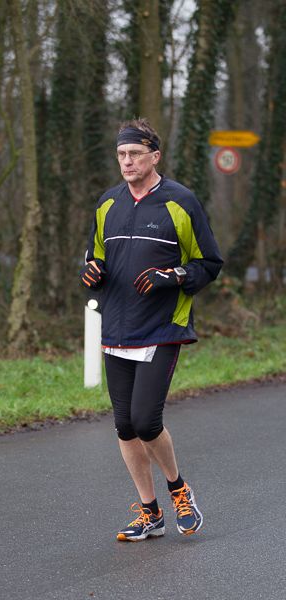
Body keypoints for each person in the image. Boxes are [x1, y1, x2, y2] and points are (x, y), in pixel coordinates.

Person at [80, 118, 223, 541]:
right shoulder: (107, 203)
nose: (127, 161)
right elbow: (95, 255)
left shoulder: (180, 202)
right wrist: (91, 271)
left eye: (135, 154)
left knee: (146, 420)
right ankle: (150, 512)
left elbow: (208, 263)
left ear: (154, 157)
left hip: (162, 326)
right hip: (116, 327)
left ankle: (179, 490)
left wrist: (173, 276)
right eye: (121, 154)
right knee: (124, 426)